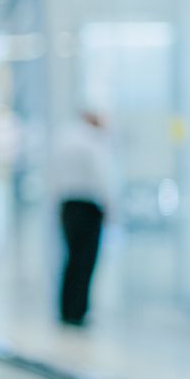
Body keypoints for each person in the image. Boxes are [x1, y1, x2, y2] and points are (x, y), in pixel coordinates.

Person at [54, 109, 112, 327]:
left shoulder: (64, 139)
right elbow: (100, 176)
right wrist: (108, 205)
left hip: (67, 204)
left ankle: (66, 309)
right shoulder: (91, 141)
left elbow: (54, 175)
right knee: (85, 260)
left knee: (71, 259)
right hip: (88, 205)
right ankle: (78, 312)